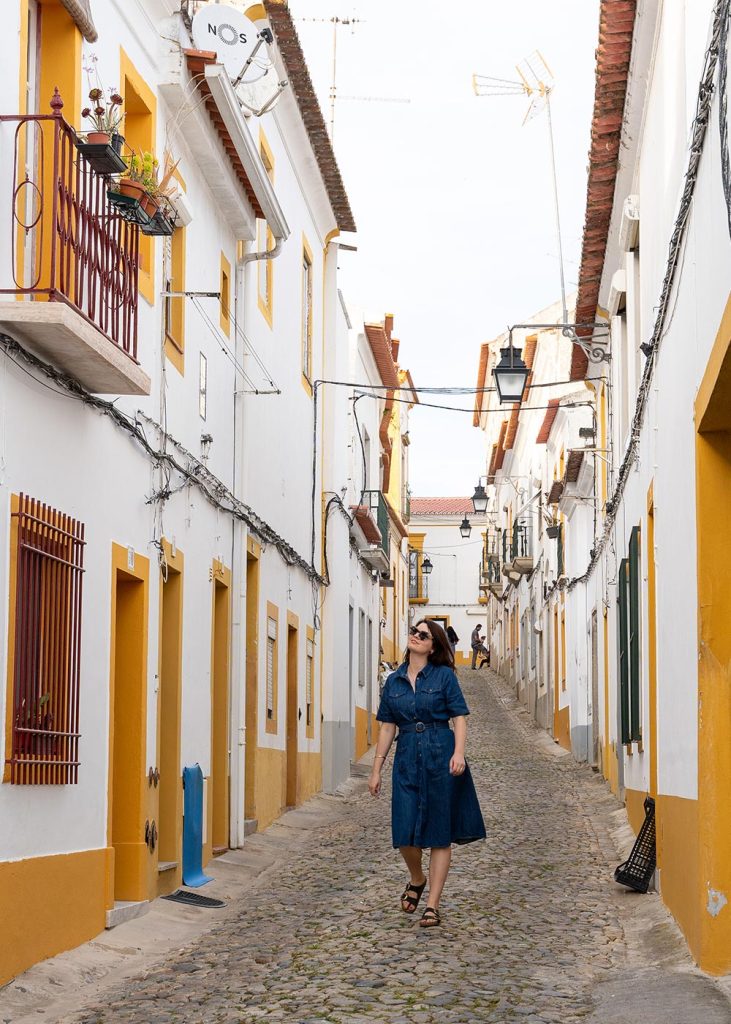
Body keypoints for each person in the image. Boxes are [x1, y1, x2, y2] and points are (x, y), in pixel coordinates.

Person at [368, 619, 486, 928]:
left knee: (439, 832)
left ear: (433, 646)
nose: (416, 637)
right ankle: (417, 878)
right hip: (406, 756)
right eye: (413, 632)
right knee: (404, 832)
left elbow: (459, 717)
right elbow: (387, 726)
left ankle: (432, 904)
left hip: (440, 753)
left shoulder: (444, 677)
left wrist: (458, 752)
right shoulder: (393, 682)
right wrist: (377, 768)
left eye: (424, 635)